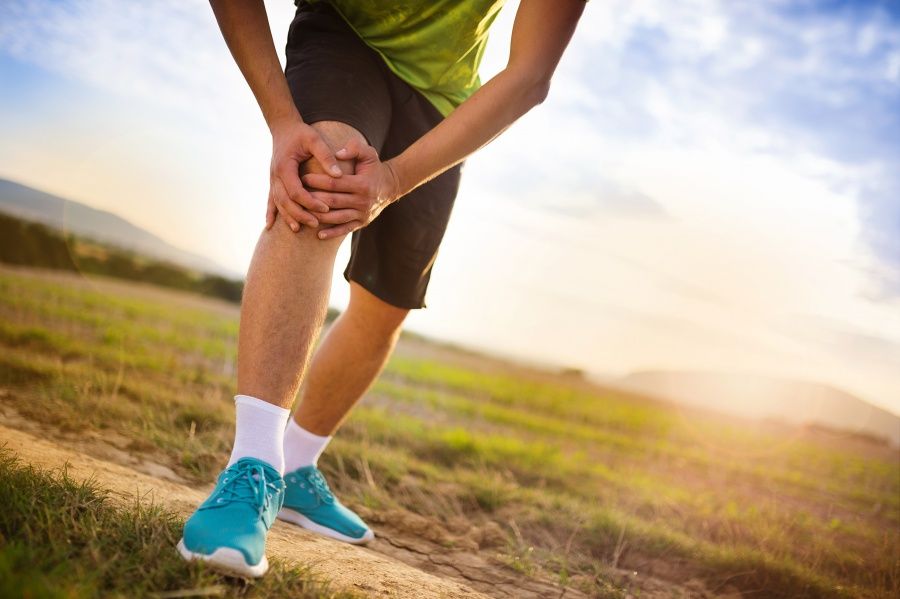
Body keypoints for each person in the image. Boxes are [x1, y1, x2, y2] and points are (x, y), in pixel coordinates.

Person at [178, 0, 585, 577]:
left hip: (444, 97)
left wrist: (394, 180)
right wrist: (281, 120)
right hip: (346, 36)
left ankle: (296, 468)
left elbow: (529, 76)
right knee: (324, 185)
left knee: (388, 302)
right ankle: (253, 468)